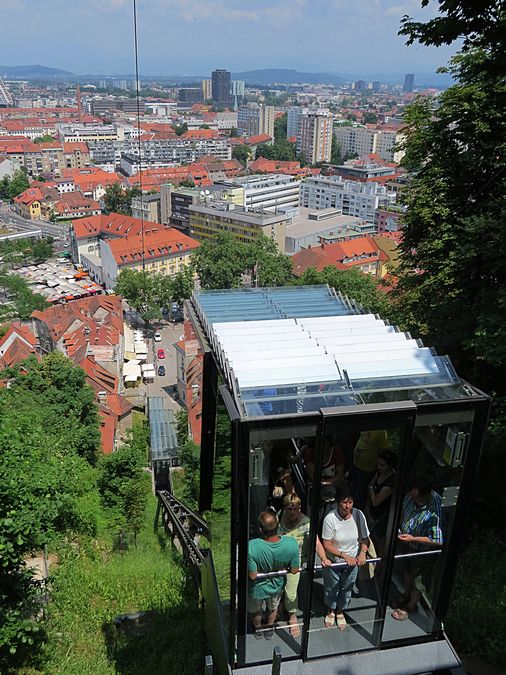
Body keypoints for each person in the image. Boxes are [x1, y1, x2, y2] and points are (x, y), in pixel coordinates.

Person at [278, 493, 331, 637]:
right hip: (279, 560)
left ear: (300, 508)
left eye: (295, 509)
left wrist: (324, 557)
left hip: (295, 562)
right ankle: (280, 605)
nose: (293, 512)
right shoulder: (279, 517)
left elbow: (316, 542)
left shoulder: (306, 522)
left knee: (291, 592)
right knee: (277, 586)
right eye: (289, 509)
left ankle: (292, 616)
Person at [391, 478, 443, 621]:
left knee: (418, 579)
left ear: (425, 496)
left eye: (415, 497)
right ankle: (406, 594)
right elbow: (403, 511)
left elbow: (437, 540)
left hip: (422, 549)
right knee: (406, 570)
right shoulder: (409, 496)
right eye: (411, 495)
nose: (412, 498)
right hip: (405, 542)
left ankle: (412, 605)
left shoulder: (435, 509)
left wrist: (413, 538)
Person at [321, 485, 370, 630]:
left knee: (347, 587)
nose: (347, 506)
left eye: (350, 502)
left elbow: (365, 538)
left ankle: (340, 611)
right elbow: (327, 544)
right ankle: (331, 609)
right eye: (344, 502)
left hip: (352, 562)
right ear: (338, 502)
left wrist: (362, 553)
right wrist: (344, 556)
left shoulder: (359, 515)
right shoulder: (330, 519)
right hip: (334, 562)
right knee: (331, 587)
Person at [248, 511, 300, 639]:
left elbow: (253, 575)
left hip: (257, 588)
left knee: (255, 610)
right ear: (278, 526)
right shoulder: (291, 544)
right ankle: (269, 628)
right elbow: (294, 570)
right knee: (272, 608)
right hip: (276, 586)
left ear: (260, 529)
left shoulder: (252, 546)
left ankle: (258, 629)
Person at [304, 435, 346, 520]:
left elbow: (339, 474)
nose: (322, 446)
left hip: (333, 486)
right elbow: (312, 475)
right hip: (315, 486)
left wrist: (326, 483)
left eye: (325, 443)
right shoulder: (310, 452)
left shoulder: (337, 452)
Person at [367, 449, 397, 557]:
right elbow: (370, 485)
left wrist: (371, 490)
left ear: (390, 466)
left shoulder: (391, 482)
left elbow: (376, 501)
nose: (379, 467)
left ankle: (380, 563)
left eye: (382, 465)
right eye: (378, 464)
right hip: (374, 514)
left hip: (383, 516)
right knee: (373, 538)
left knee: (379, 540)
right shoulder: (379, 473)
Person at [352, 430, 390, 510]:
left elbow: (384, 451)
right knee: (354, 488)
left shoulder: (381, 432)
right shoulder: (368, 423)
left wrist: (380, 467)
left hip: (367, 469)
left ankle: (357, 514)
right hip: (356, 463)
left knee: (361, 494)